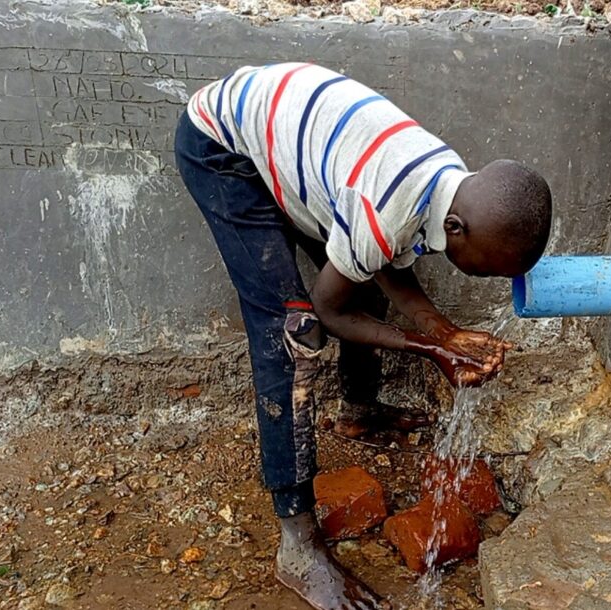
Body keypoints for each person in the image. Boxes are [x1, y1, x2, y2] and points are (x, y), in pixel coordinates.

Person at [174, 61, 552, 610]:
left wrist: (445, 332)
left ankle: (358, 408)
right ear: (456, 229)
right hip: (221, 147)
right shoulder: (387, 205)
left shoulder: (450, 180)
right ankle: (298, 547)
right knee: (293, 330)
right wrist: (429, 347)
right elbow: (329, 311)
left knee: (363, 281)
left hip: (293, 136)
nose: (493, 280)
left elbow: (382, 261)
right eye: (490, 269)